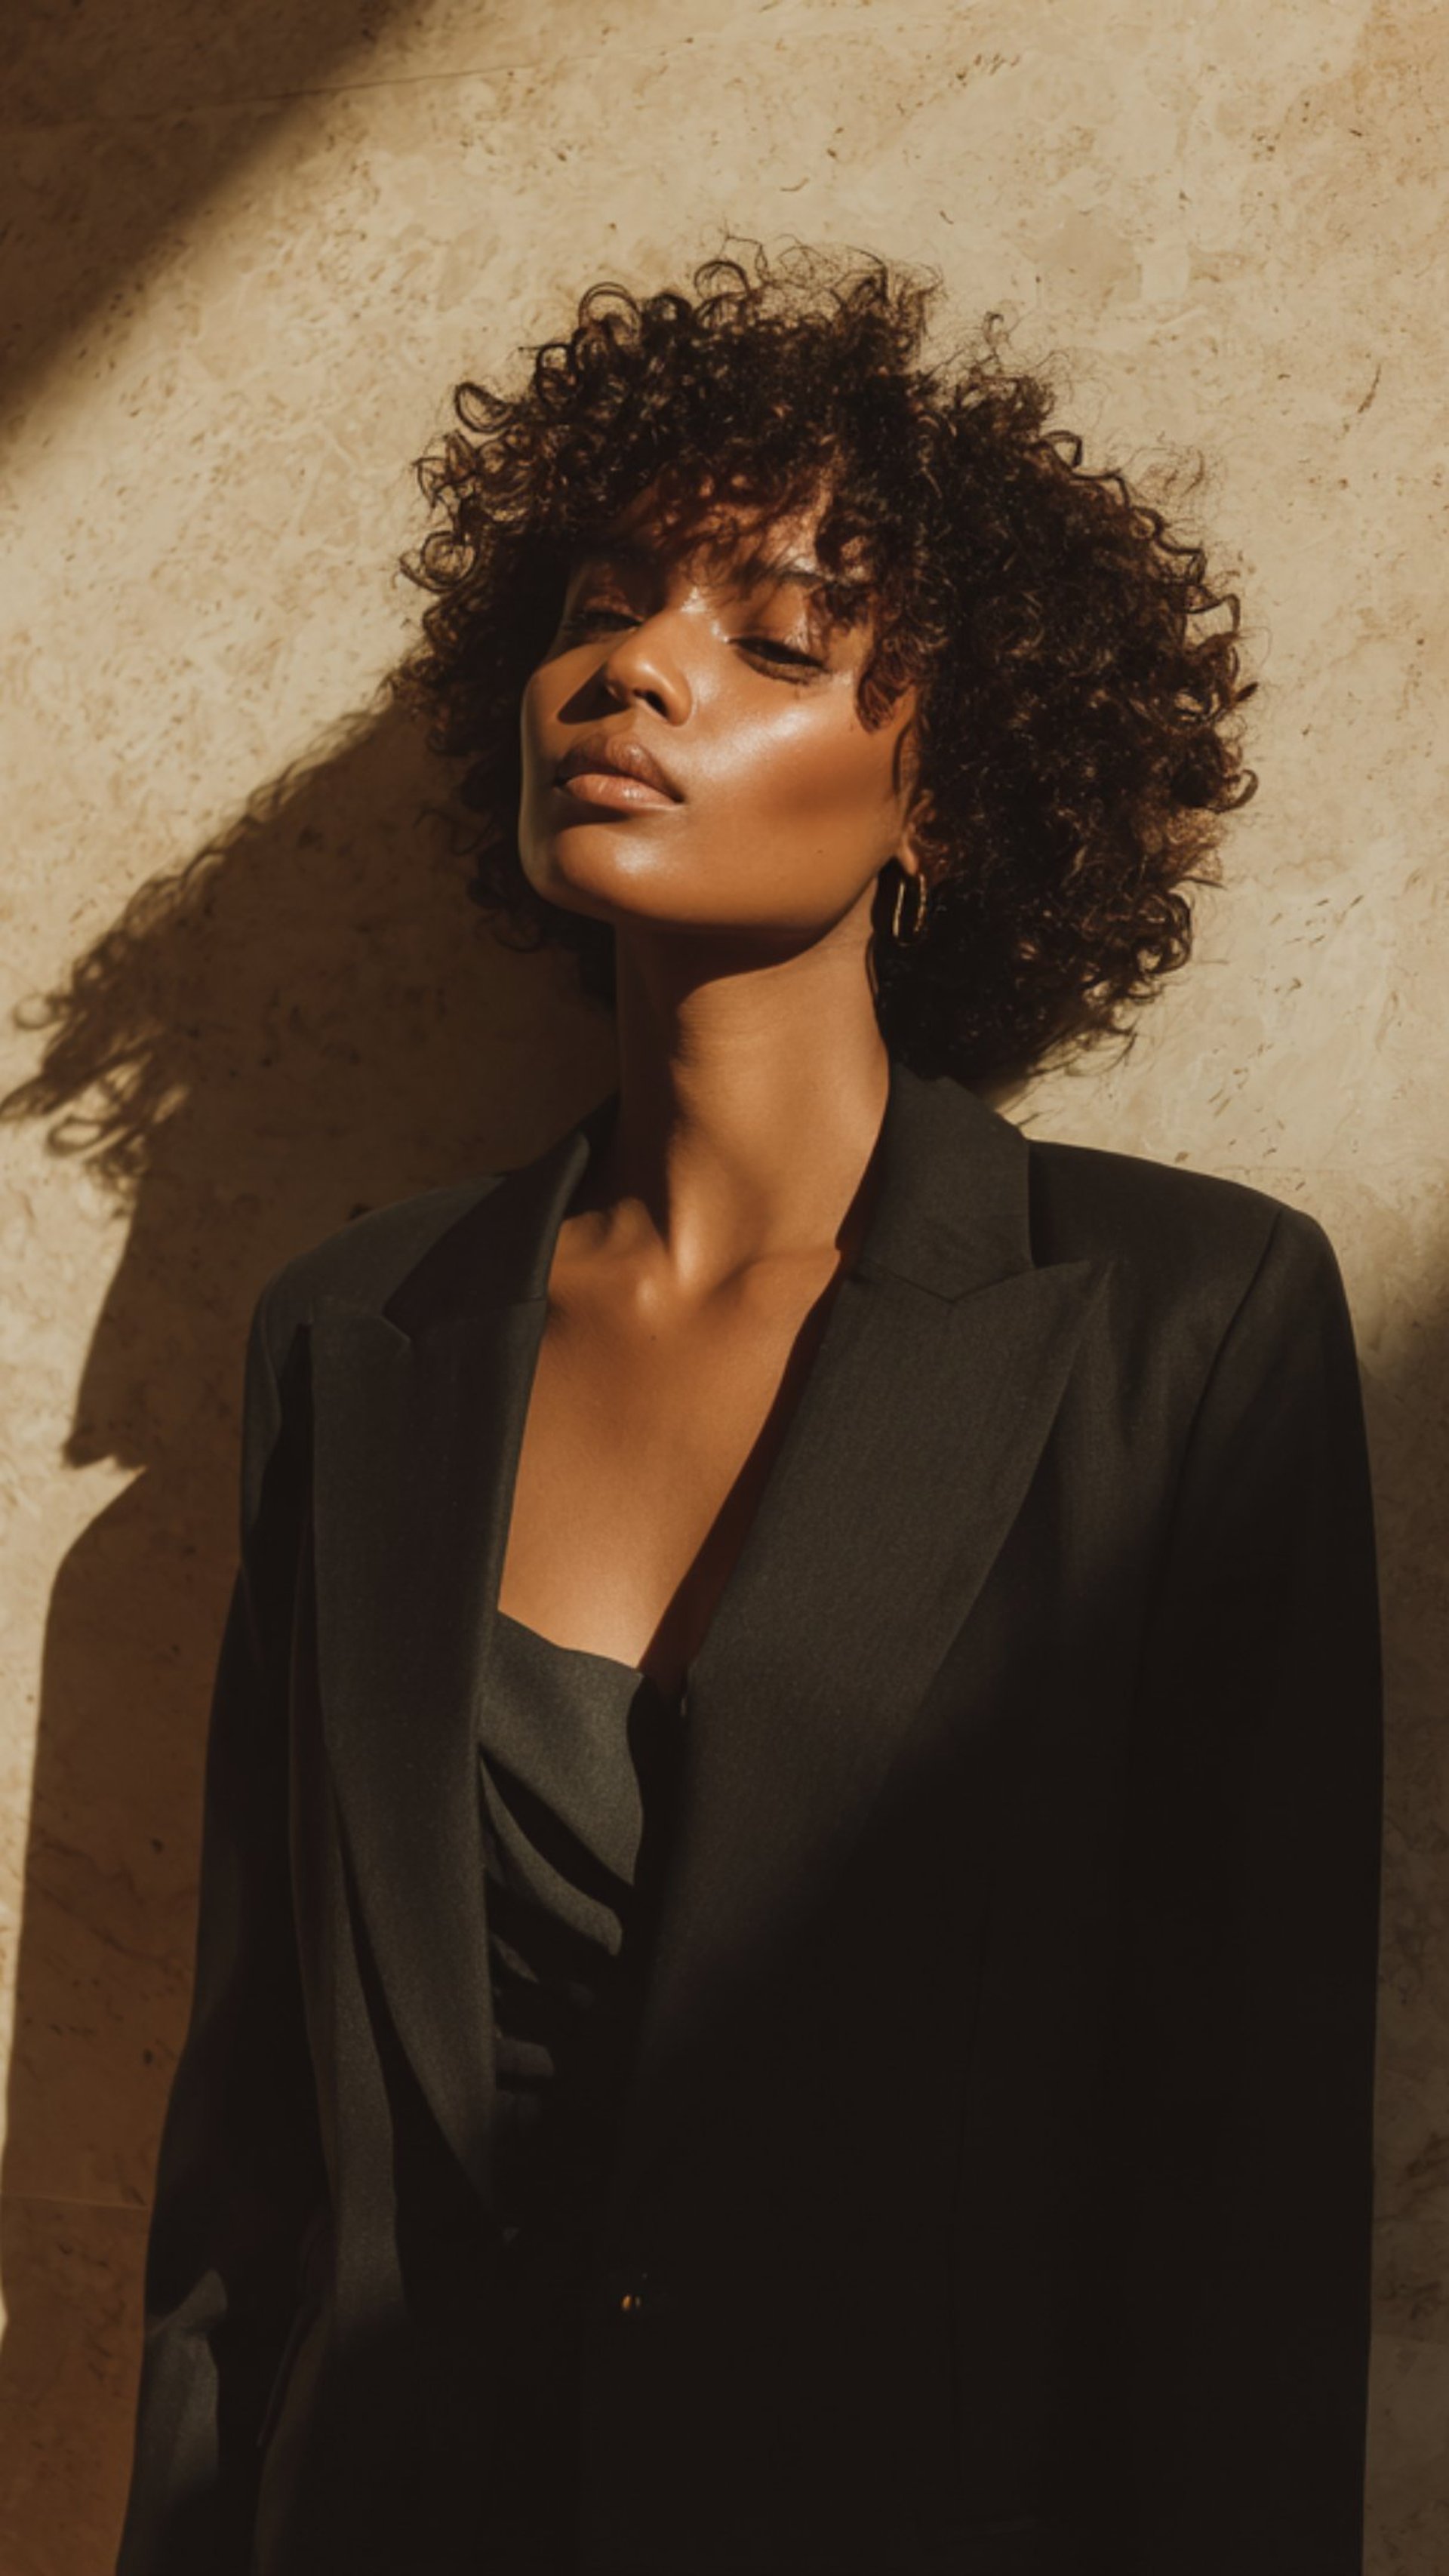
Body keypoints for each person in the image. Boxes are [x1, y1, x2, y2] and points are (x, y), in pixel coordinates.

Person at [115, 245, 1383, 2576]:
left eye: (776, 636)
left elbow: (1243, 2205)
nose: (633, 667)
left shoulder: (1176, 1329)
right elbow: (249, 2188)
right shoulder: (357, 1338)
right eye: (604, 603)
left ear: (949, 794)